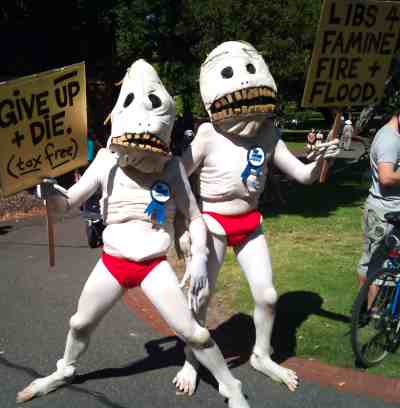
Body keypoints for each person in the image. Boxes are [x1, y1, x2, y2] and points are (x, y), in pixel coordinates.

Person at [16, 59, 250, 408]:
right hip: (112, 261)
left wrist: (199, 258)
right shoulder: (106, 161)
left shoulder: (171, 167)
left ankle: (231, 385)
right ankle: (65, 368)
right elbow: (67, 206)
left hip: (153, 264)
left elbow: (196, 217)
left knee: (193, 332)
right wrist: (50, 193)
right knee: (79, 322)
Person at [173, 41, 340, 395]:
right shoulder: (207, 135)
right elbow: (175, 175)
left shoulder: (268, 133)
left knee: (266, 296)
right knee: (200, 298)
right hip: (213, 224)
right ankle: (190, 358)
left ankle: (261, 354)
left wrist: (325, 157)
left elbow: (304, 175)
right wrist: (186, 223)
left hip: (249, 222)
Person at [357, 109, 400, 302]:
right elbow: (386, 177)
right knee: (372, 262)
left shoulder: (394, 135)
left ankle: (376, 308)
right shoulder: (389, 140)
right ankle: (368, 310)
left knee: (385, 261)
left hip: (392, 208)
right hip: (383, 211)